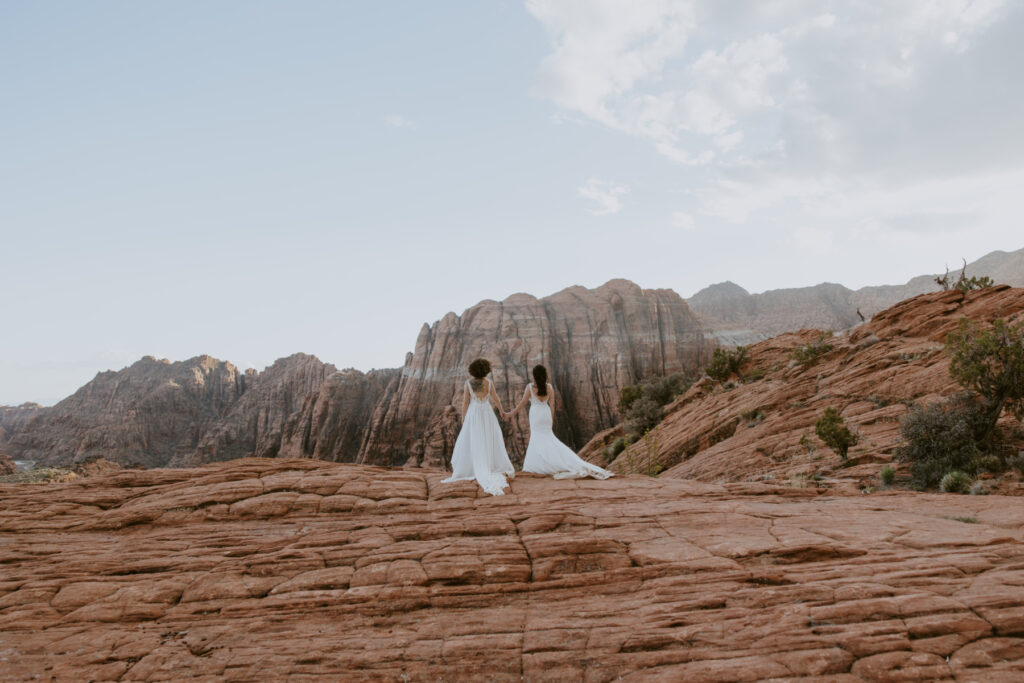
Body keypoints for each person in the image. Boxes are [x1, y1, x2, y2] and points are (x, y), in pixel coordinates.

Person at [506, 364, 613, 480]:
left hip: (536, 414)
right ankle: (557, 461)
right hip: (545, 414)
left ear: (535, 376)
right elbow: (552, 405)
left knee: (537, 438)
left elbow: (522, 404)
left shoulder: (530, 387)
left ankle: (538, 464)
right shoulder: (550, 388)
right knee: (549, 439)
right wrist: (551, 420)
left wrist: (509, 414)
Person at [441, 358, 516, 496]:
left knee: (475, 439)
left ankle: (476, 466)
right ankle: (488, 466)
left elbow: (465, 403)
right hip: (486, 413)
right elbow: (496, 399)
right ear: (485, 370)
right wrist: (501, 411)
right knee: (488, 438)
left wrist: (464, 419)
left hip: (474, 413)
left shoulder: (468, 384)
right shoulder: (489, 383)